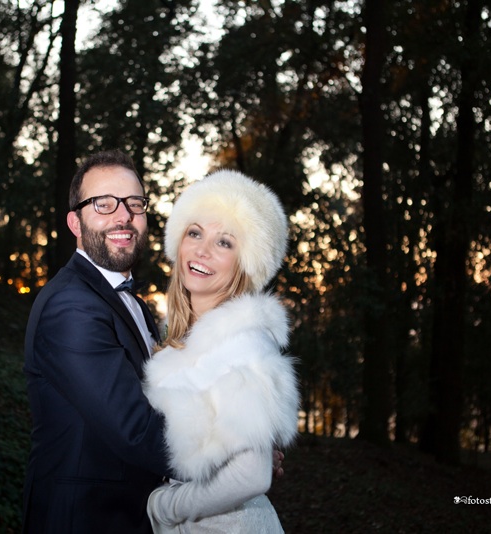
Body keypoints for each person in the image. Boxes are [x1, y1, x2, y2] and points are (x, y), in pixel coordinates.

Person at [22, 149, 174, 532]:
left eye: (134, 203)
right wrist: (236, 457)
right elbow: (136, 430)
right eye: (103, 204)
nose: (123, 216)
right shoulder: (71, 305)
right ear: (75, 222)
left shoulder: (135, 304)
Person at [143, 169, 300, 533]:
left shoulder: (242, 341)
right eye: (195, 232)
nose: (202, 249)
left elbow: (252, 475)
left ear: (244, 265)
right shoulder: (186, 339)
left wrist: (164, 506)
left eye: (224, 242)